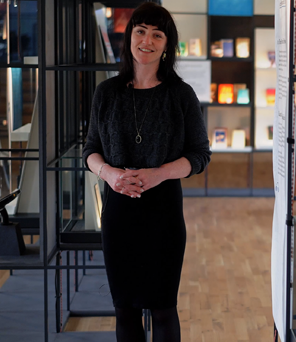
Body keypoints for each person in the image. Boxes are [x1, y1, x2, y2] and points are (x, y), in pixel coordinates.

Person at [83, 3, 212, 341]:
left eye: (158, 34)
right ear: (130, 38)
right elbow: (90, 151)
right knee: (124, 309)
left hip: (164, 215)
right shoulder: (106, 93)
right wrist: (109, 174)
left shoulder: (180, 94)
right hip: (118, 214)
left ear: (167, 45)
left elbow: (199, 155)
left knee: (163, 308)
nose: (148, 40)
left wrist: (159, 173)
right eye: (141, 31)